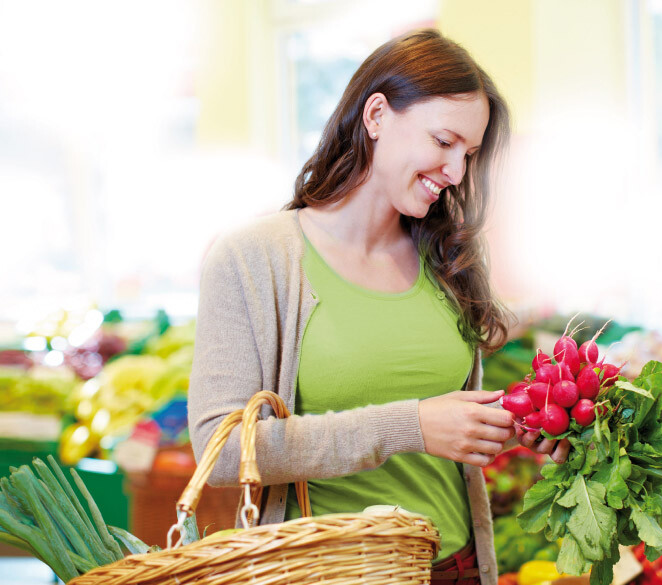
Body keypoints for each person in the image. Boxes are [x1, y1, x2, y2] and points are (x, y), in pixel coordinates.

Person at [187, 29, 568, 585]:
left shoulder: (448, 256)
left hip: (455, 569)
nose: (457, 172)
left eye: (469, 154)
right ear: (376, 116)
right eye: (443, 142)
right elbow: (221, 452)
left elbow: (443, 414)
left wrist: (515, 418)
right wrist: (409, 426)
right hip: (328, 572)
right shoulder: (253, 258)